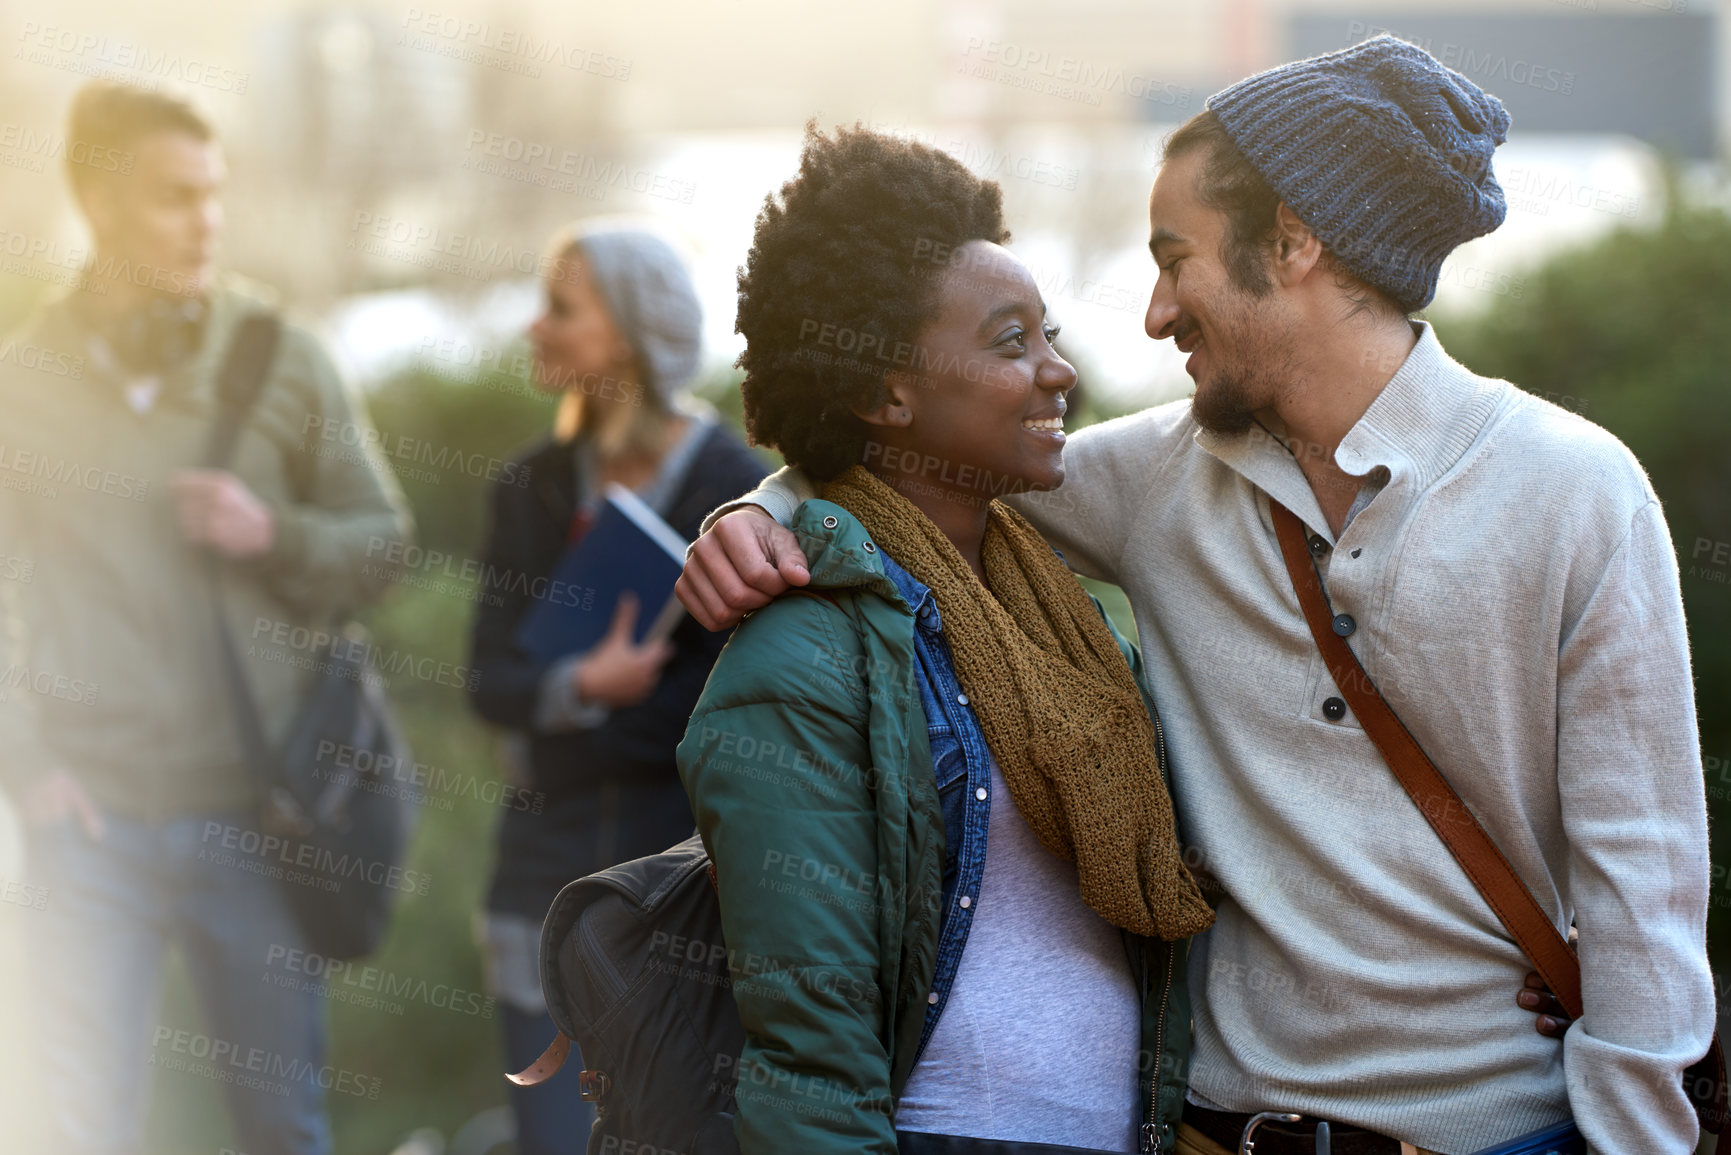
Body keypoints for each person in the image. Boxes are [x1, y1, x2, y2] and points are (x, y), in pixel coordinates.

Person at [677, 38, 1713, 1155]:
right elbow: (912, 461)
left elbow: (1642, 887)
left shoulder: (1577, 492)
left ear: (1295, 243)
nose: (1156, 313)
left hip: (1502, 1135)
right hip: (1210, 1134)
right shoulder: (1154, 478)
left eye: (1178, 260)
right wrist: (756, 514)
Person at [677, 124, 1215, 1155]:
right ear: (888, 393)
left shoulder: (1047, 603)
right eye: (1011, 344)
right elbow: (808, 1054)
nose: (1060, 372)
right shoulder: (804, 655)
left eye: (1048, 334)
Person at [0, 82, 412, 1155]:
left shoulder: (281, 358)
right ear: (96, 200)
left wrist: (269, 533)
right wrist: (27, 763)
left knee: (284, 1130)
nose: (206, 222)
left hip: (260, 824)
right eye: (175, 198)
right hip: (89, 831)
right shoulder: (21, 386)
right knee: (71, 1132)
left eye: (215, 195)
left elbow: (384, 544)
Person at [465, 221, 767, 1155]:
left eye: (562, 308)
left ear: (629, 335)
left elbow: (713, 721)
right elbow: (485, 680)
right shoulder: (531, 485)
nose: (536, 328)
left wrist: (549, 720)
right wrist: (591, 683)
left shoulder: (738, 489)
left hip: (678, 896)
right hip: (534, 876)